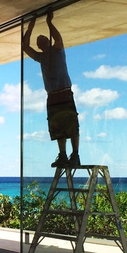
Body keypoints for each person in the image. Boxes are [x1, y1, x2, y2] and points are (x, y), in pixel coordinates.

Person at [23, 10, 81, 168]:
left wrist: (49, 22)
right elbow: (25, 46)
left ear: (47, 41)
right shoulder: (40, 57)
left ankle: (75, 155)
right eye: (39, 40)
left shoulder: (58, 51)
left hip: (64, 93)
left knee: (72, 124)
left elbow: (58, 38)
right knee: (57, 127)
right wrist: (31, 25)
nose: (40, 39)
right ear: (40, 46)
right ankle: (63, 155)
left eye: (42, 37)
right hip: (52, 96)